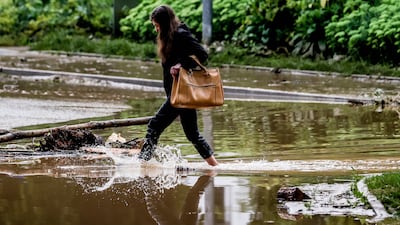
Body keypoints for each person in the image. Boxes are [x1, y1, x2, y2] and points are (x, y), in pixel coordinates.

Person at [137, 5, 219, 166]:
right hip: (178, 93)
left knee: (154, 125)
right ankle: (215, 166)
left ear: (165, 23)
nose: (156, 29)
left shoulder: (180, 34)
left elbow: (202, 54)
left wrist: (181, 64)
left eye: (157, 25)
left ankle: (142, 163)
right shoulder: (169, 36)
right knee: (192, 134)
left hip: (180, 93)